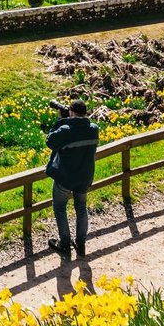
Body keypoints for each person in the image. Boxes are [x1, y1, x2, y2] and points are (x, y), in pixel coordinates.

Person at [45, 99, 99, 258]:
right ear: (85, 113)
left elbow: (50, 141)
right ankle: (81, 244)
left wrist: (61, 121)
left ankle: (64, 243)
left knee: (60, 207)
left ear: (72, 112)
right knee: (81, 208)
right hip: (85, 177)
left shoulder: (65, 129)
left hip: (65, 177)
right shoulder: (94, 129)